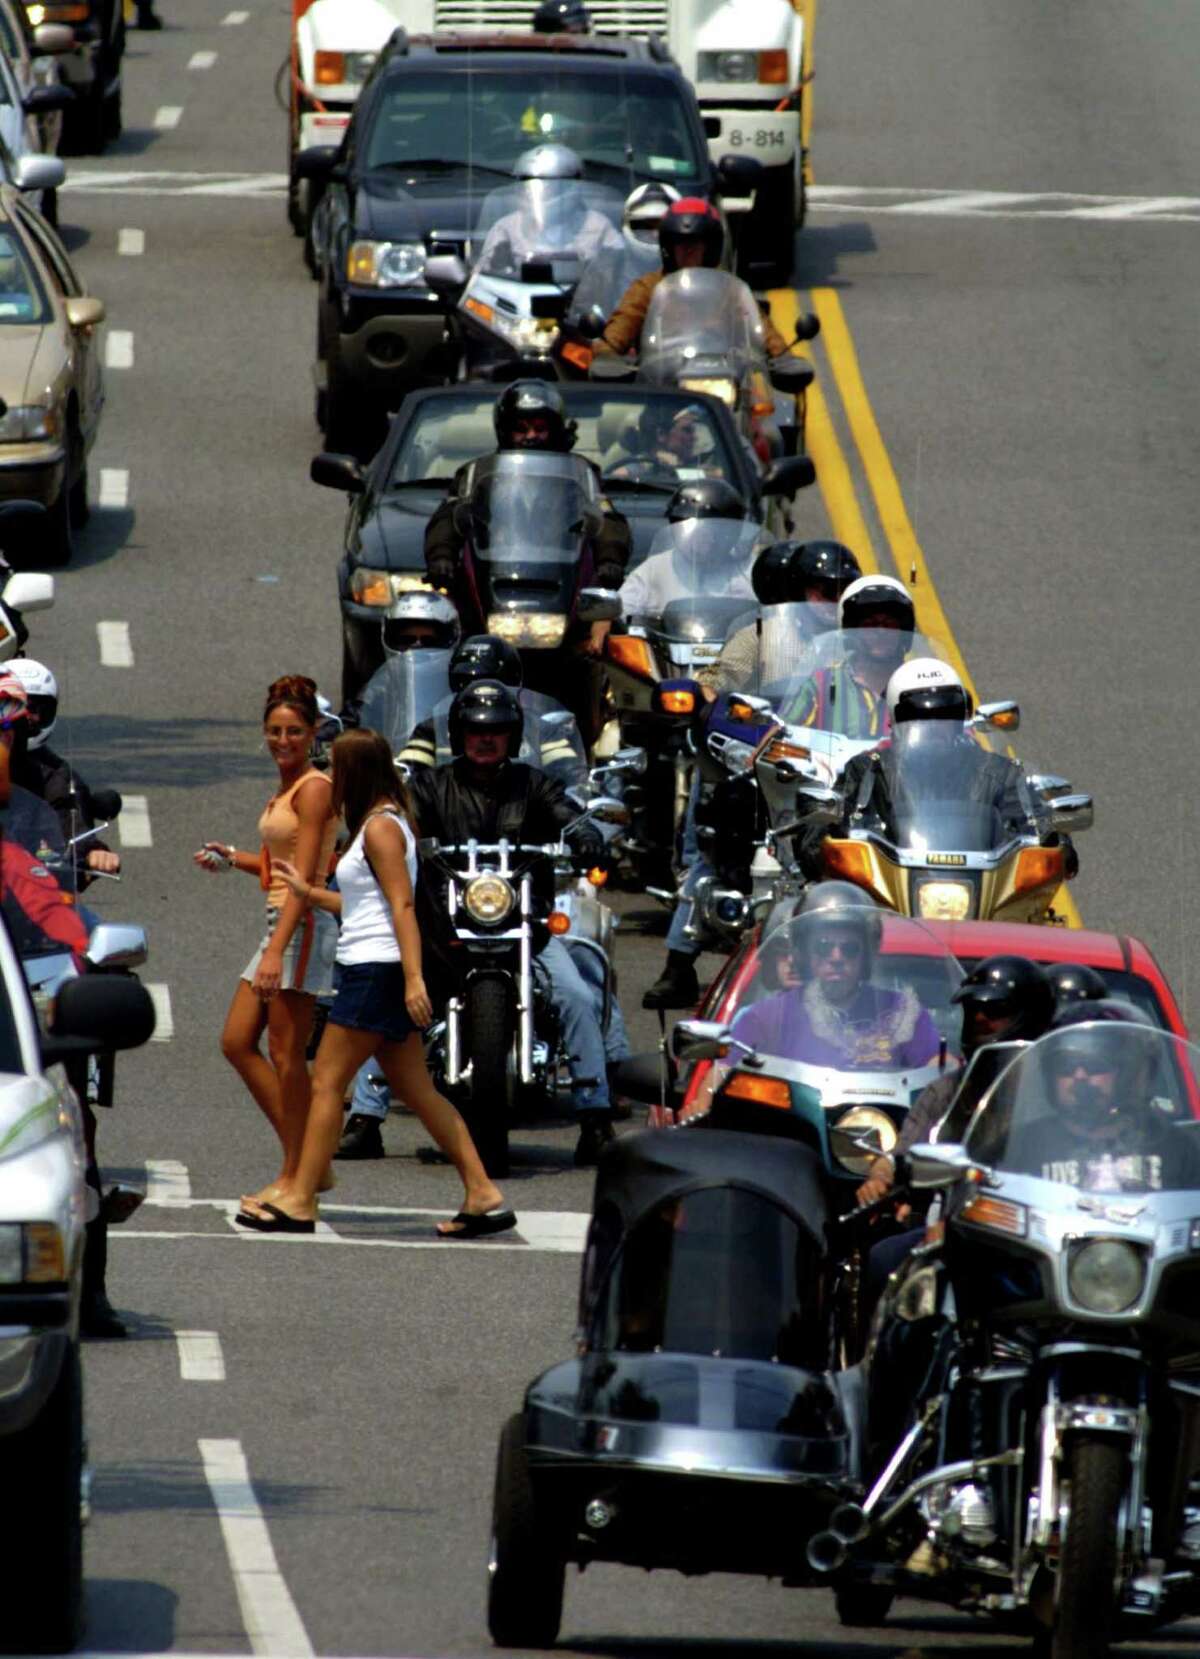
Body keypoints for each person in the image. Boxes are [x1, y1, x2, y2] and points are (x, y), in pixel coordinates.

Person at [235, 730, 514, 1236]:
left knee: (326, 1081)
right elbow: (366, 907)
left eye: (337, 771)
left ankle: (300, 1197)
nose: (332, 781)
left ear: (356, 772)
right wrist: (310, 893)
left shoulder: (383, 828)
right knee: (417, 1088)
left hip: (377, 971)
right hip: (374, 964)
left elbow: (403, 907)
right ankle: (482, 1191)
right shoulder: (375, 825)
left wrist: (412, 980)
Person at [407, 679, 628, 1166]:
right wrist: (385, 832)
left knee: (575, 994)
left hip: (527, 928)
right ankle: (365, 1113)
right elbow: (402, 821)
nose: (486, 739)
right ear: (458, 732)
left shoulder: (534, 785)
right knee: (395, 993)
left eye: (498, 730)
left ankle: (594, 1118)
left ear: (513, 733)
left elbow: (567, 814)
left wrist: (585, 831)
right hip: (445, 928)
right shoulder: (430, 785)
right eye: (475, 730)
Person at [194, 676, 339, 1209]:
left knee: (285, 1054)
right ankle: (307, 1162)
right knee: (236, 1041)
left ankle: (296, 1175)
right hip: (281, 919)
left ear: (315, 732)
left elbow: (307, 877)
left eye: (295, 731)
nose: (283, 741)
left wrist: (278, 950)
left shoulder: (315, 787)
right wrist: (232, 856)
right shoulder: (287, 786)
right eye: (275, 731)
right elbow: (279, 867)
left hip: (300, 926)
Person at [855, 955, 1057, 1206]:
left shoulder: (1055, 1093)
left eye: (995, 1010)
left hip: (1040, 1223)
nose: (980, 1018)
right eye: (973, 1008)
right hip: (958, 1219)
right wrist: (880, 1176)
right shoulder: (946, 1090)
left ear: (1030, 1017)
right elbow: (902, 1155)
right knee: (884, 1247)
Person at [424, 380, 631, 602]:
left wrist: (610, 560)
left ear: (555, 429)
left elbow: (606, 518)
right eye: (521, 429)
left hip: (563, 581)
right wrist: (441, 556)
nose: (531, 436)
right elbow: (449, 516)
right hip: (492, 578)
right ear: (505, 431)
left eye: (540, 429)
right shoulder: (478, 473)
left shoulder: (581, 473)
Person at [728, 887, 941, 1070]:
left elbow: (938, 1067)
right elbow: (717, 1081)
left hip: (878, 1118)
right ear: (804, 951)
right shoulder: (766, 1018)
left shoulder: (900, 1012)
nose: (836, 957)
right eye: (823, 947)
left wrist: (952, 1071)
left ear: (866, 954)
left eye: (849, 948)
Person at [1005, 1001, 1200, 1192]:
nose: (1079, 1076)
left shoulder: (1176, 1147)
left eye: (1094, 1064)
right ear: (1049, 1074)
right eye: (1066, 1065)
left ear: (1126, 1073)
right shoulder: (1021, 1147)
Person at [596, 197, 791, 359]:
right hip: (663, 382)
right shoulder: (648, 288)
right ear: (668, 247)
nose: (688, 250)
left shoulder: (730, 290)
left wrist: (784, 358)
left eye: (695, 243)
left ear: (711, 247)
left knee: (767, 403)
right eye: (680, 243)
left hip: (724, 377)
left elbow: (764, 332)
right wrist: (607, 354)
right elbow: (618, 331)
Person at [397, 633, 586, 781]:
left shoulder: (542, 730)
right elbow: (407, 775)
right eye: (467, 683)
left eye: (491, 685)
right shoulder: (430, 730)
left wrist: (577, 796)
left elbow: (571, 778)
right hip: (450, 823)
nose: (480, 693)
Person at [698, 538, 863, 700]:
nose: (838, 598)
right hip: (769, 725)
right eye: (828, 590)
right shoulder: (761, 635)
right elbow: (723, 673)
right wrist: (707, 688)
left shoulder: (859, 642)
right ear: (799, 589)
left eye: (846, 589)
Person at [7, 657, 122, 888]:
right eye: (16, 707)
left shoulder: (57, 779)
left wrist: (91, 851)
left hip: (29, 898)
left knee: (87, 925)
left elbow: (73, 827)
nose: (30, 717)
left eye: (38, 709)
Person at [778, 573, 916, 736]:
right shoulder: (821, 685)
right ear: (852, 632)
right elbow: (781, 741)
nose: (880, 632)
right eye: (870, 625)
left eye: (889, 624)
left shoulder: (919, 686)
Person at [619, 480, 765, 618]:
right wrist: (608, 618)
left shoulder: (750, 571)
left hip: (738, 643)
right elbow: (621, 609)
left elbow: (776, 613)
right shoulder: (655, 568)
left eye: (711, 529)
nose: (700, 537)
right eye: (688, 528)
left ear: (730, 533)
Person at [473, 145, 623, 280]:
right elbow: (483, 277)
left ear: (569, 186)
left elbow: (620, 271)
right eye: (525, 183)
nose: (531, 191)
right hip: (519, 299)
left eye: (546, 184)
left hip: (584, 300)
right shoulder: (506, 227)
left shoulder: (598, 225)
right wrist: (498, 266)